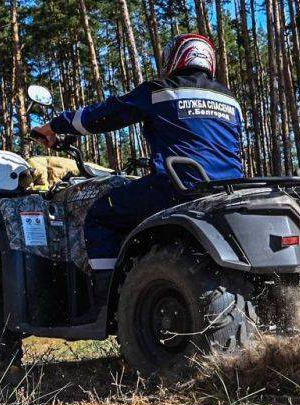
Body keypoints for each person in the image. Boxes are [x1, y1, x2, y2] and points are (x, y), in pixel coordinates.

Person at [30, 34, 243, 296]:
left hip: (177, 187)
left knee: (99, 215)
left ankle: (108, 298)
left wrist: (54, 126)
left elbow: (104, 115)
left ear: (176, 58)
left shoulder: (161, 91)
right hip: (228, 191)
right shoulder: (230, 100)